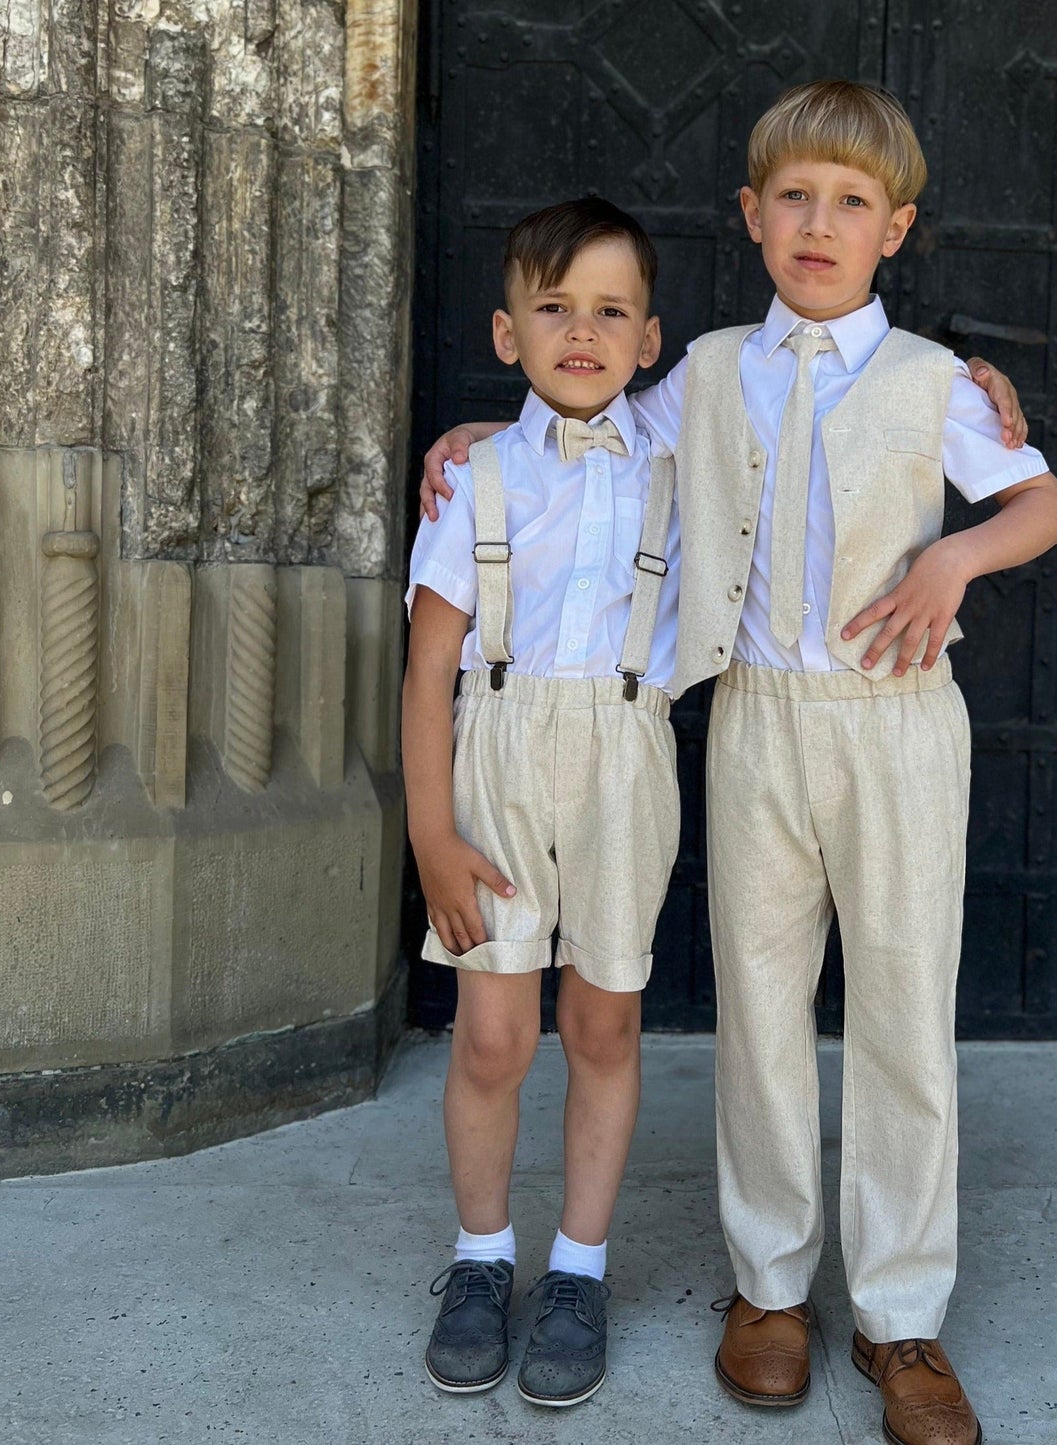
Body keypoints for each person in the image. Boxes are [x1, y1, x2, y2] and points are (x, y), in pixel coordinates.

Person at [419, 80, 1057, 1445]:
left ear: (894, 229)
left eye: (849, 203)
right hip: (758, 720)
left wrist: (957, 550)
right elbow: (590, 428)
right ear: (751, 216)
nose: (816, 224)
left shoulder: (933, 383)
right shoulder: (707, 369)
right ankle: (768, 1287)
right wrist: (481, 437)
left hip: (894, 725)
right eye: (791, 197)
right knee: (761, 1011)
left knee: (901, 1012)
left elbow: (1045, 502)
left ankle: (901, 1317)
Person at [401, 195, 680, 1410]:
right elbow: (427, 671)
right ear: (507, 334)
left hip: (627, 748)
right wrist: (431, 834)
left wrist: (967, 379)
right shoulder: (475, 476)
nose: (583, 330)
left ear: (649, 338)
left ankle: (577, 1266)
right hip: (497, 749)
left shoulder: (682, 449)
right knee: (496, 1034)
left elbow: (804, 388)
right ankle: (480, 1256)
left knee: (604, 1026)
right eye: (554, 307)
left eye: (610, 309)